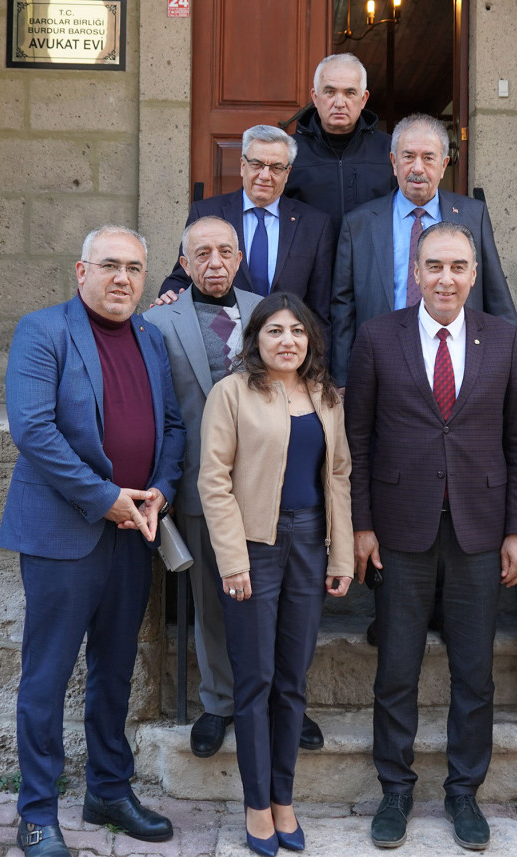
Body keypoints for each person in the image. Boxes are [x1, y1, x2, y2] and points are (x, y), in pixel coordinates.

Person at [345, 222, 517, 851]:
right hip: (401, 529)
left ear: (473, 274)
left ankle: (463, 793)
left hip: (481, 532)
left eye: (457, 267)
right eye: (434, 266)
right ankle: (394, 790)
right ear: (415, 272)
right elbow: (360, 440)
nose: (445, 279)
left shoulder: (504, 341)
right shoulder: (378, 338)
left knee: (474, 671)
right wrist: (362, 525)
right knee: (396, 666)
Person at [0, 226, 186, 857]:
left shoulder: (151, 340)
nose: (123, 279)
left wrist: (160, 488)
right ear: (81, 272)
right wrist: (104, 498)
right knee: (47, 676)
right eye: (109, 266)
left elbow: (173, 424)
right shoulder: (42, 331)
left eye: (134, 268)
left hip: (135, 531)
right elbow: (33, 428)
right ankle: (36, 811)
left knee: (114, 671)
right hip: (63, 532)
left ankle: (108, 789)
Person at [198, 293, 354, 856]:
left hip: (311, 542)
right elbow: (213, 480)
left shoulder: (326, 396)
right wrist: (233, 559)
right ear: (256, 340)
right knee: (255, 679)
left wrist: (341, 556)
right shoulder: (231, 393)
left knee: (292, 679)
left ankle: (284, 798)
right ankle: (256, 805)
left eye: (297, 331)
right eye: (274, 332)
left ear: (310, 339)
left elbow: (338, 475)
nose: (287, 340)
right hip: (256, 547)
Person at [144, 217, 269, 757]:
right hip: (200, 484)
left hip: (269, 487)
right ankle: (219, 703)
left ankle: (278, 700)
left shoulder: (270, 312)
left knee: (275, 602)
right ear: (185, 262)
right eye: (202, 254)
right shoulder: (158, 323)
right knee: (212, 604)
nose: (214, 262)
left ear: (238, 257)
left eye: (225, 251)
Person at [330, 113, 517, 404]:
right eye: (408, 156)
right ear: (393, 162)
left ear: (443, 165)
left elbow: (496, 294)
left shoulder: (471, 215)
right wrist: (341, 377)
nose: (417, 168)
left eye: (428, 158)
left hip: (456, 360)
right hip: (381, 364)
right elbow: (342, 308)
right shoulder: (359, 223)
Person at [158, 125, 334, 336]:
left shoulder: (315, 225)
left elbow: (319, 311)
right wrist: (170, 294)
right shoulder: (206, 212)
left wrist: (316, 367)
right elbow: (182, 275)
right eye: (257, 164)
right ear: (242, 166)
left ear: (287, 174)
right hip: (220, 344)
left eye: (276, 167)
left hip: (285, 349)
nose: (265, 175)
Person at [284, 52, 395, 240]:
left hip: (370, 265)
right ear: (315, 97)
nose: (339, 103)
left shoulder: (390, 150)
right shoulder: (289, 151)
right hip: (309, 265)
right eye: (330, 92)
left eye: (350, 93)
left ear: (364, 99)